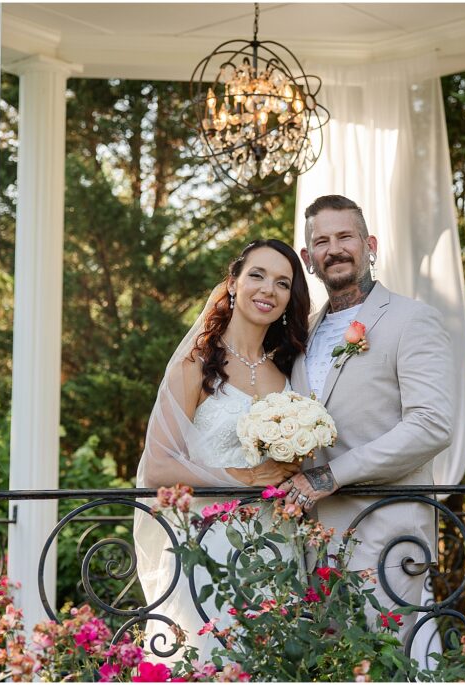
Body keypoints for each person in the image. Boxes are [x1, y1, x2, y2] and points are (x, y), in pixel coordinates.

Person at [277, 194, 454, 647]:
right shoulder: (302, 333)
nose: (334, 249)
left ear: (368, 244)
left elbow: (432, 424)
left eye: (345, 237)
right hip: (312, 545)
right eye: (321, 241)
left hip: (384, 540)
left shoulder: (411, 320)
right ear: (308, 258)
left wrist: (332, 474)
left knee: (380, 669)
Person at [133, 239, 311, 662]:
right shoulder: (194, 364)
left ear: (289, 299)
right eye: (257, 275)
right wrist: (245, 479)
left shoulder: (289, 371)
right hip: (205, 547)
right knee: (206, 661)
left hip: (274, 545)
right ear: (232, 284)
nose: (268, 289)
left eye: (282, 283)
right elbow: (158, 467)